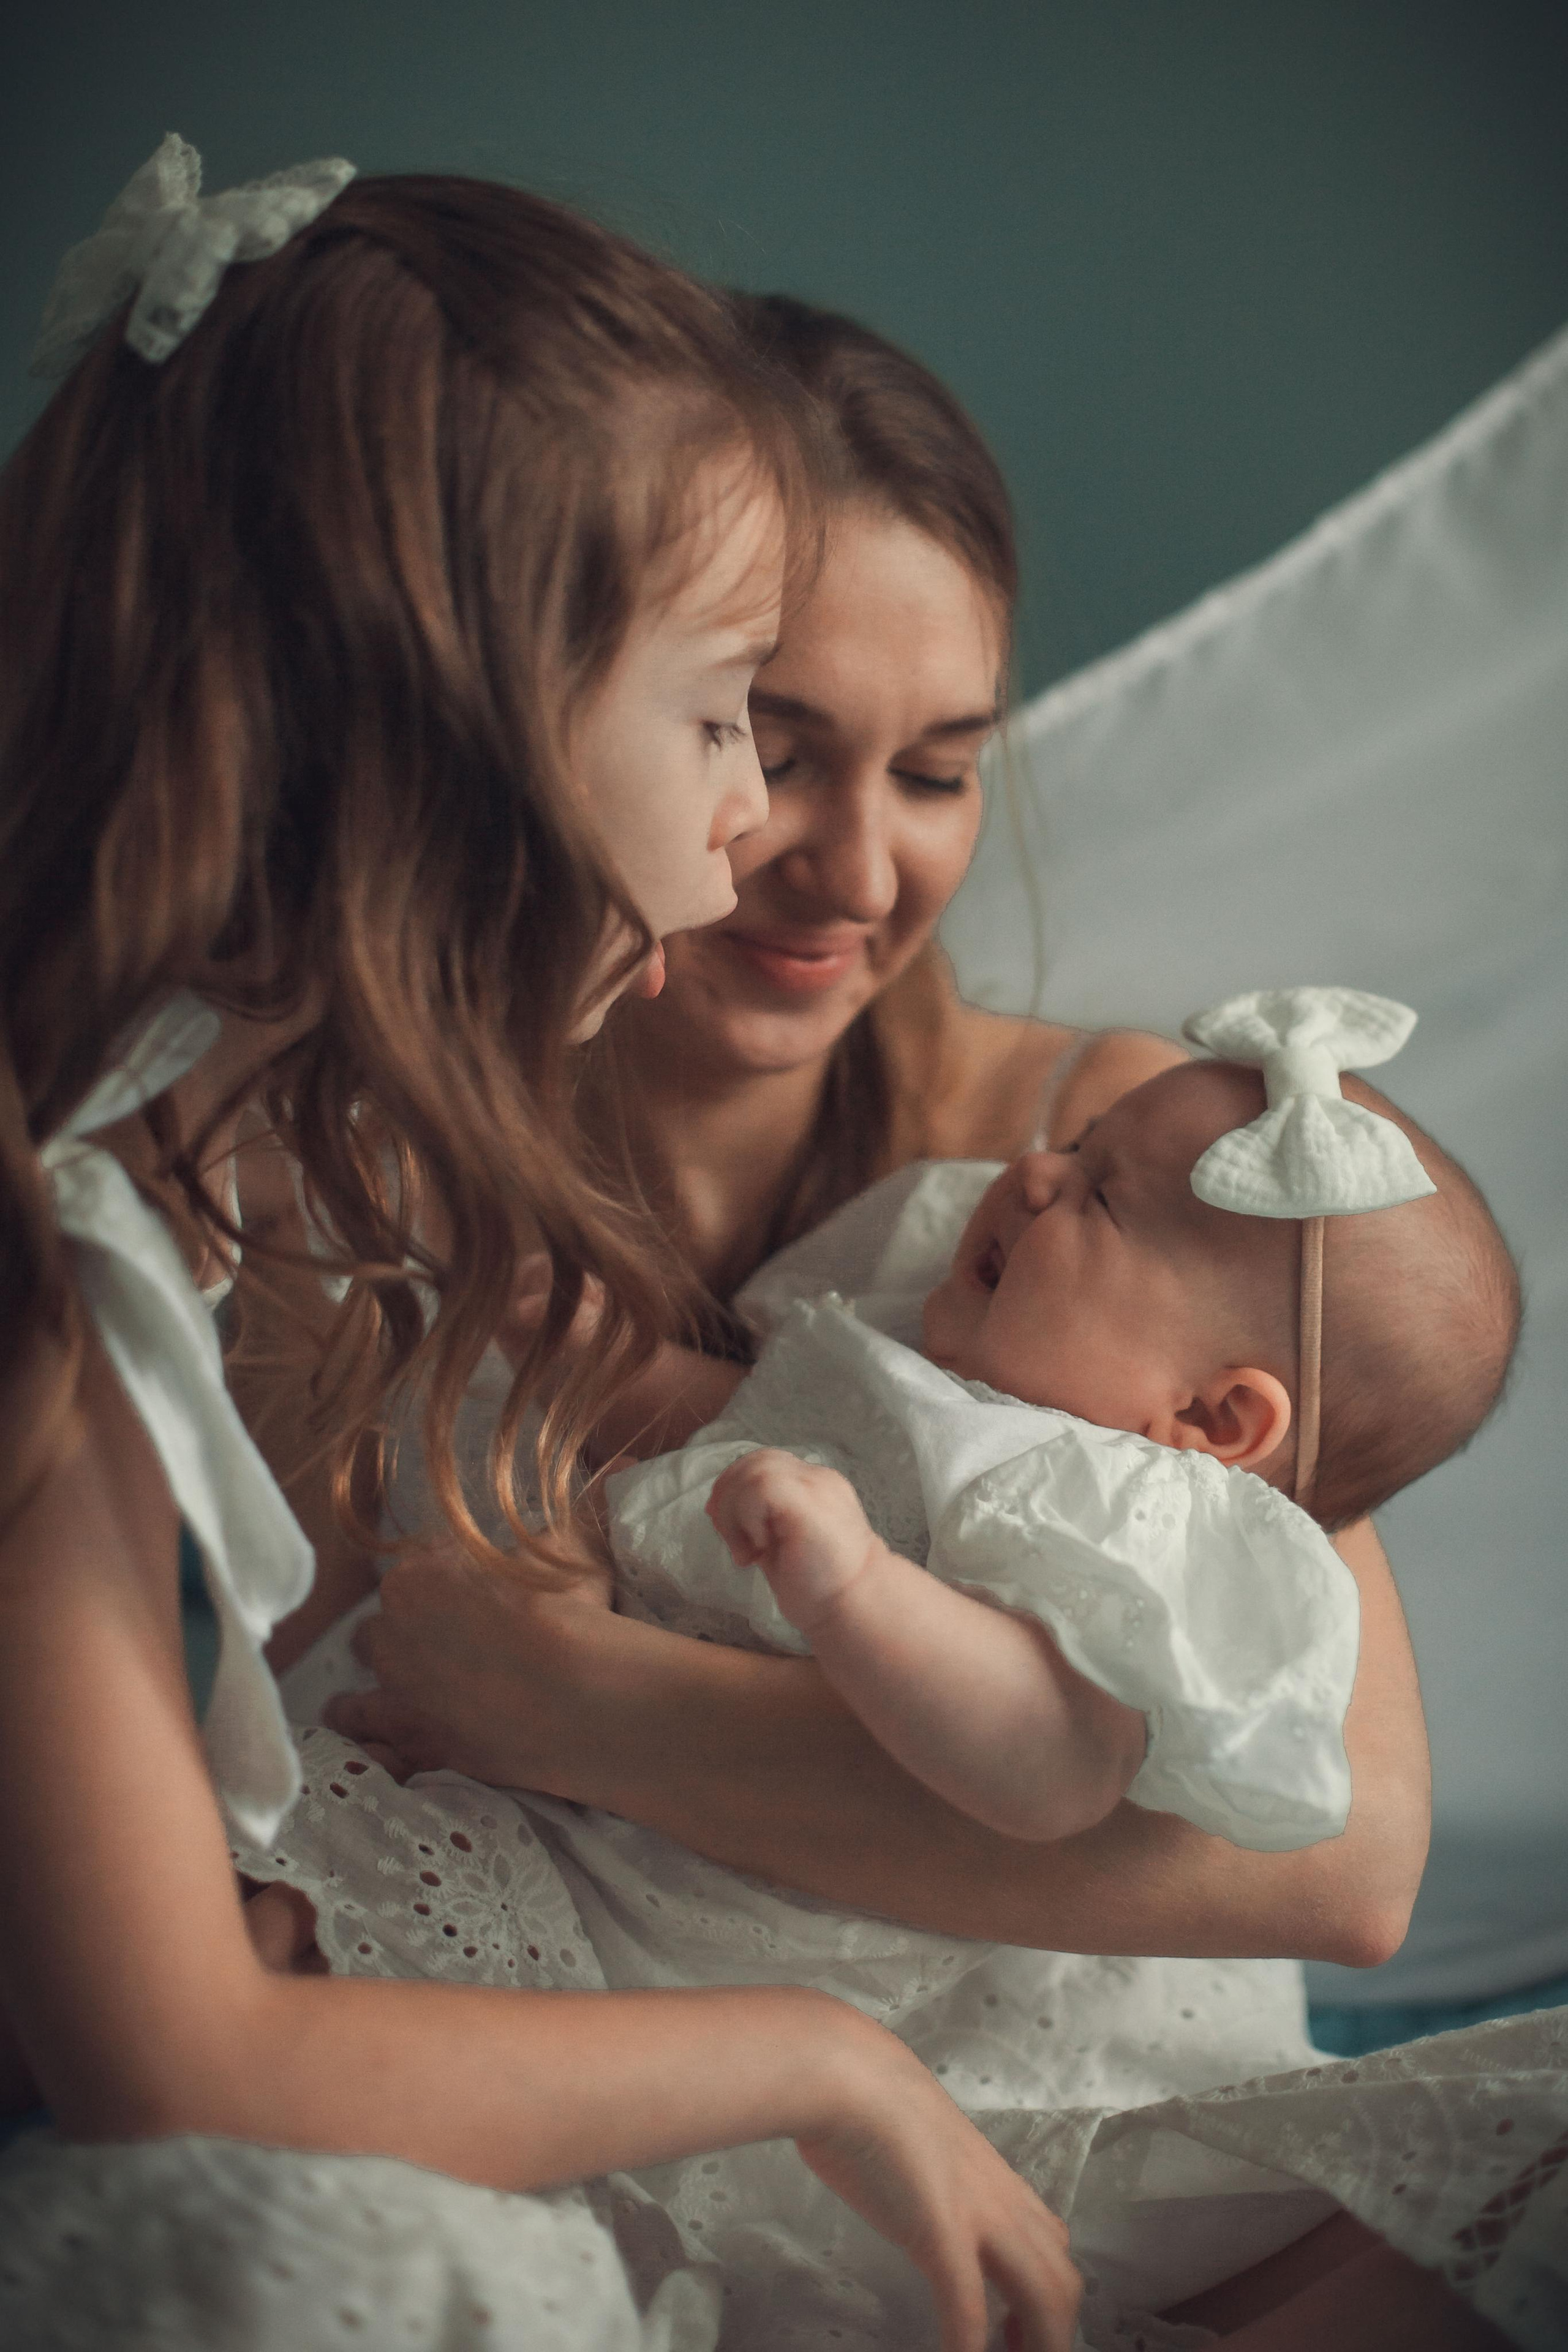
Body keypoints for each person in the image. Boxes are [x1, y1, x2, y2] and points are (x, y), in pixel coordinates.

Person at [310, 302, 1551, 2346]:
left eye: (943, 770)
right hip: (668, 2085)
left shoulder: (1155, 1153)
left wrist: (578, 1707)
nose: (858, 870)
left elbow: (1337, 1865)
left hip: (1101, 2118)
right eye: (775, 745)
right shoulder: (375, 1184)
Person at [0, 143, 1085, 2351]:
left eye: (930, 768)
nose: (752, 829)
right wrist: (822, 2060)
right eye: (727, 717)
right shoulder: (69, 1267)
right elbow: (178, 2061)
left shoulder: (154, 1203)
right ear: (453, 731)